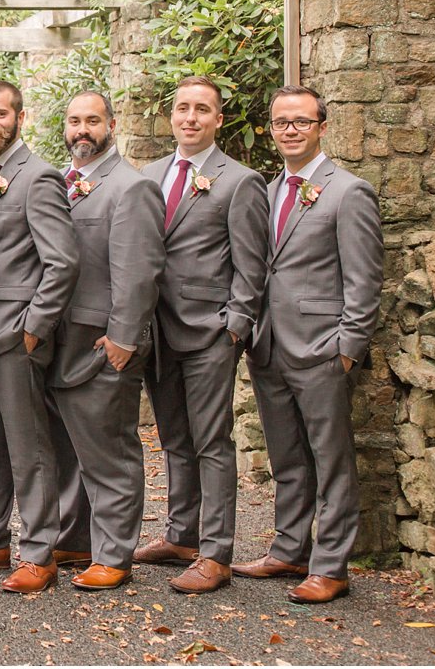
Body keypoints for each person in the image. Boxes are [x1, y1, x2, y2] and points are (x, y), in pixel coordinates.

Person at [232, 85, 382, 604]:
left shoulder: (348, 191)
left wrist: (348, 347)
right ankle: (290, 548)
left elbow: (363, 280)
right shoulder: (267, 188)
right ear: (270, 130)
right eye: (280, 122)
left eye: (300, 121)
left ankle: (331, 565)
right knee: (287, 455)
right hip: (268, 345)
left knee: (331, 457)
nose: (289, 130)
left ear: (322, 125)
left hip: (322, 347)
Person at [136, 76, 269, 594]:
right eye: (183, 109)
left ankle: (216, 554)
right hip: (156, 331)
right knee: (173, 438)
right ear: (172, 116)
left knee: (211, 440)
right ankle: (181, 535)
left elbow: (251, 264)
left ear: (218, 119)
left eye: (202, 110)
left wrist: (234, 325)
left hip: (210, 331)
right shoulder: (147, 175)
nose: (190, 118)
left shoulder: (239, 181)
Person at [0, 81, 79, 594]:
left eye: (0, 114)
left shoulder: (40, 177)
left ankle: (39, 552)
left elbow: (62, 260)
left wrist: (34, 327)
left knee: (28, 446)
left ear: (20, 118)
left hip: (15, 334)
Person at [47, 90, 165, 591]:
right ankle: (76, 538)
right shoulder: (61, 182)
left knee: (110, 451)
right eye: (74, 121)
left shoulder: (129, 187)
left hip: (103, 344)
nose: (82, 130)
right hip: (60, 342)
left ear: (111, 125)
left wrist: (124, 337)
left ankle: (114, 554)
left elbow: (140, 271)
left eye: (92, 121)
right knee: (72, 450)